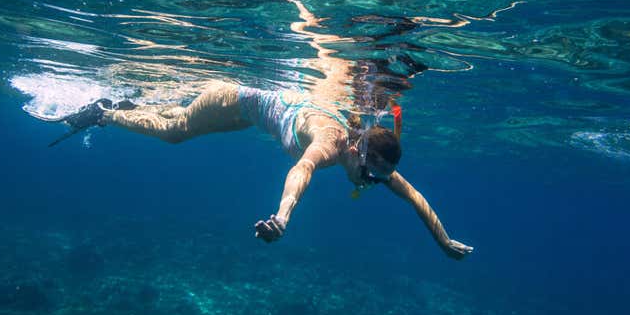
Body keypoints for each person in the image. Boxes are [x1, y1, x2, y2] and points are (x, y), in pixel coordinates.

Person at [56, 81, 474, 260]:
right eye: (372, 173)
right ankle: (104, 114)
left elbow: (415, 196)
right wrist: (282, 217)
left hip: (247, 115)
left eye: (380, 178)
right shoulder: (330, 146)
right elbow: (302, 172)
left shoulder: (369, 158)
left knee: (183, 121)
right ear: (355, 148)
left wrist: (445, 241)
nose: (372, 182)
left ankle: (132, 108)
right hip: (233, 99)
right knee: (176, 131)